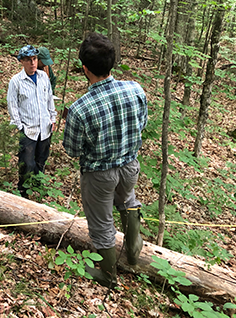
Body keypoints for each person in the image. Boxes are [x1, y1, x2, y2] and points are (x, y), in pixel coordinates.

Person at [63, 33, 147, 288]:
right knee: (128, 200)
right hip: (130, 165)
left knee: (101, 224)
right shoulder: (135, 89)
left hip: (99, 174)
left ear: (85, 68)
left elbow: (72, 149)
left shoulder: (80, 108)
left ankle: (109, 275)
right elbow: (142, 124)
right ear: (112, 62)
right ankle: (133, 252)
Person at [7, 45, 57, 198]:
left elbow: (49, 98)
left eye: (34, 59)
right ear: (22, 61)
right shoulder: (16, 81)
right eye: (28, 60)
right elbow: (12, 105)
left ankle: (37, 187)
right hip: (28, 130)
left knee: (41, 160)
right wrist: (19, 126)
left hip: (45, 127)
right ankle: (23, 191)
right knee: (27, 163)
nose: (32, 63)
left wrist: (52, 118)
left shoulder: (43, 77)